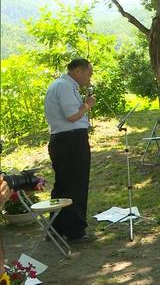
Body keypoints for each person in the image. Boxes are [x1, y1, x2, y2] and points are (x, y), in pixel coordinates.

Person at [44, 58, 95, 242]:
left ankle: (56, 229)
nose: (89, 79)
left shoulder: (63, 85)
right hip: (71, 140)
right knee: (75, 185)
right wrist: (88, 104)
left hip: (63, 140)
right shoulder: (64, 86)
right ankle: (75, 232)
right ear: (77, 71)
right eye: (88, 74)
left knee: (63, 185)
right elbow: (72, 115)